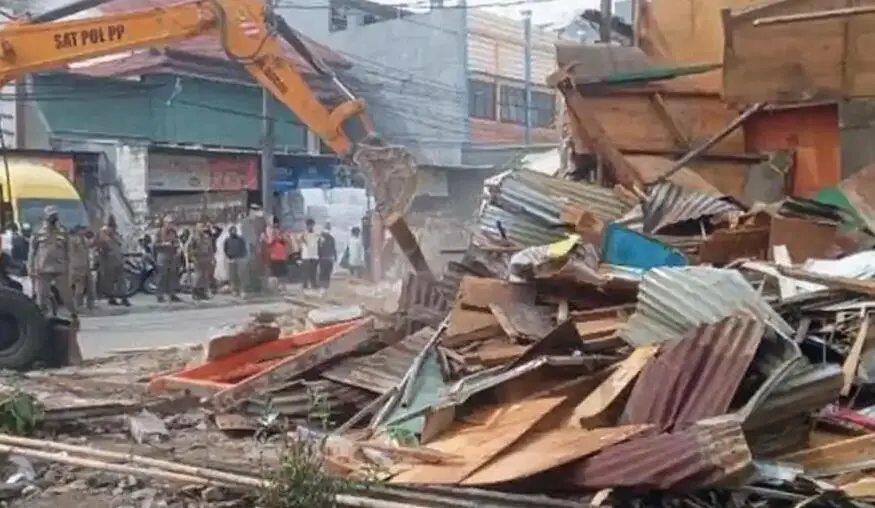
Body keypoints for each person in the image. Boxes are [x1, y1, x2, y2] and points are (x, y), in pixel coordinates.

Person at [27, 206, 76, 318]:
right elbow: (32, 252)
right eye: (51, 215)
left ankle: (73, 314)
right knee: (42, 296)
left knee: (66, 295)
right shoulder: (38, 231)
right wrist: (30, 268)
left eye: (55, 215)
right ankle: (40, 317)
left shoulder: (63, 231)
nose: (53, 218)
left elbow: (69, 251)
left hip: (60, 268)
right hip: (42, 269)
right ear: (46, 216)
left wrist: (70, 267)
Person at [95, 215, 129, 307]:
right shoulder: (104, 233)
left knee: (119, 280)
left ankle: (121, 297)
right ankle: (114, 298)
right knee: (111, 280)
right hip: (109, 259)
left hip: (115, 258)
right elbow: (100, 246)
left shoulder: (114, 233)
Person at [154, 215, 182, 303]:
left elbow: (177, 241)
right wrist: (163, 244)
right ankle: (159, 295)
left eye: (172, 223)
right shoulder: (159, 232)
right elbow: (154, 245)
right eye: (168, 223)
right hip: (162, 254)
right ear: (164, 223)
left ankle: (172, 294)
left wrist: (177, 246)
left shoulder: (173, 232)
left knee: (172, 275)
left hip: (172, 255)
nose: (170, 224)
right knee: (162, 275)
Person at [187, 222, 215, 301]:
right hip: (198, 258)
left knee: (205, 277)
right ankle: (195, 292)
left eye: (203, 227)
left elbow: (210, 248)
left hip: (206, 258)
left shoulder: (206, 237)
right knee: (198, 276)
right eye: (200, 227)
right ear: (196, 228)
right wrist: (192, 258)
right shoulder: (193, 238)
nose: (202, 229)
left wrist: (212, 258)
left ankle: (202, 293)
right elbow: (189, 249)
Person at [69, 225, 95, 311]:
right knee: (79, 286)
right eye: (83, 230)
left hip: (85, 265)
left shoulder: (83, 239)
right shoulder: (73, 240)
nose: (85, 231)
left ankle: (89, 304)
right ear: (78, 231)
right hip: (77, 266)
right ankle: (78, 305)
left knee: (89, 285)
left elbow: (90, 245)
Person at [262, 216, 287, 293]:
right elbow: (269, 242)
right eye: (274, 223)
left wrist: (280, 237)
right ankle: (275, 287)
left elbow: (285, 240)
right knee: (274, 273)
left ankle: (281, 286)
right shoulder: (269, 231)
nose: (275, 225)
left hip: (281, 255)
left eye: (276, 223)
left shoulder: (281, 231)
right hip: (273, 255)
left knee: (282, 273)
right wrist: (270, 237)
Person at [223, 225, 247, 297]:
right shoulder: (227, 240)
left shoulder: (240, 239)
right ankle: (234, 290)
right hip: (231, 259)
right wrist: (228, 255)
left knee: (240, 275)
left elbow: (243, 247)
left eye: (234, 230)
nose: (233, 232)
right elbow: (225, 249)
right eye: (232, 230)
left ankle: (242, 290)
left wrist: (243, 255)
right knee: (232, 276)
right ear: (229, 232)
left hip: (239, 258)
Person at [299, 218, 319, 290]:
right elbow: (303, 242)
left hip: (314, 255)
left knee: (313, 272)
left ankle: (314, 285)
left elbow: (318, 242)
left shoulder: (316, 233)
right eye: (310, 225)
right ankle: (305, 285)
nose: (311, 226)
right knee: (306, 272)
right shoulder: (304, 234)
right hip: (306, 256)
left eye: (312, 225)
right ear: (307, 225)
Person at [317, 221, 337, 289]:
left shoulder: (326, 238)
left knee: (325, 273)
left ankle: (324, 287)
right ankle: (324, 287)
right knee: (325, 273)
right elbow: (333, 249)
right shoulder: (326, 238)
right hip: (325, 258)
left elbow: (333, 248)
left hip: (325, 258)